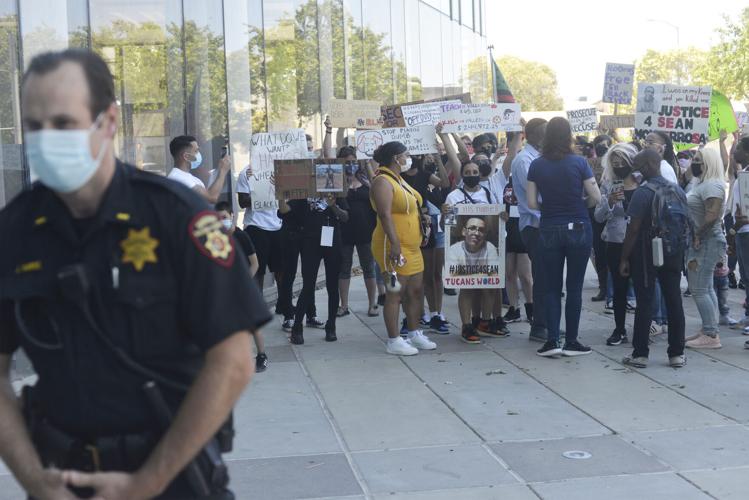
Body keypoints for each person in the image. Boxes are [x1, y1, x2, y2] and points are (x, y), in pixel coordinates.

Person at [0, 49, 269, 499]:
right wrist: (34, 480)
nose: (46, 139)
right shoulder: (15, 230)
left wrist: (145, 483)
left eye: (64, 124)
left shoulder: (177, 217)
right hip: (62, 481)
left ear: (106, 122)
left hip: (172, 479)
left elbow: (234, 363)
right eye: (34, 126)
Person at [526, 117, 601, 358]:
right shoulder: (580, 163)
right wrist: (581, 202)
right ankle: (572, 341)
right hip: (578, 225)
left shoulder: (536, 165)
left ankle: (552, 340)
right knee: (575, 287)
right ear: (568, 135)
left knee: (551, 287)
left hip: (549, 227)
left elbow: (530, 202)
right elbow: (596, 197)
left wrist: (550, 205)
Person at [619, 149, 687, 368]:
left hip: (647, 253)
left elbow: (633, 229)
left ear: (649, 165)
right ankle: (676, 354)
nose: (636, 170)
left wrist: (624, 258)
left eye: (638, 165)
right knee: (674, 299)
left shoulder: (643, 192)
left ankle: (640, 354)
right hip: (674, 251)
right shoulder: (677, 190)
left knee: (645, 301)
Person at [370, 141, 437, 356]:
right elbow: (384, 214)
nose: (409, 158)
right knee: (395, 293)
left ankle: (414, 333)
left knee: (415, 291)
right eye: (406, 154)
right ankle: (393, 339)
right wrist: (395, 242)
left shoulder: (399, 180)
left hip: (413, 246)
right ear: (396, 157)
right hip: (393, 245)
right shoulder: (382, 181)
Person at [443, 161, 508, 343]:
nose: (471, 174)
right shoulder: (453, 197)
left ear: (480, 174)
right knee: (467, 287)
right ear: (461, 174)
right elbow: (445, 226)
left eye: (475, 171)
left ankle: (484, 322)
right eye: (467, 171)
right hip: (463, 252)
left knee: (489, 286)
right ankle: (466, 325)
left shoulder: (488, 193)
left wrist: (503, 217)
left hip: (486, 249)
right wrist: (444, 215)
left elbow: (498, 215)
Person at [279, 192, 349, 345]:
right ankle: (297, 328)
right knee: (308, 285)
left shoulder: (335, 189)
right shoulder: (305, 192)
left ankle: (331, 327)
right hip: (310, 240)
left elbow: (345, 216)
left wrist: (333, 206)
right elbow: (285, 211)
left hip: (332, 238)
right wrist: (279, 196)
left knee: (332, 285)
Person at [403, 148, 451, 334]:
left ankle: (435, 314)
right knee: (413, 277)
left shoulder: (425, 174)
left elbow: (445, 183)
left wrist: (438, 158)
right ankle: (414, 315)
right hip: (408, 228)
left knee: (432, 274)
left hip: (426, 227)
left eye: (415, 154)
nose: (412, 158)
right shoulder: (397, 176)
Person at [595, 143, 639, 345]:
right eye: (615, 163)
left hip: (639, 241)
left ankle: (644, 327)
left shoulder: (642, 182)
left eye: (623, 162)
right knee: (619, 288)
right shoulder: (608, 184)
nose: (619, 166)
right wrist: (610, 202)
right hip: (615, 240)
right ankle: (619, 329)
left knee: (642, 287)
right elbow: (598, 216)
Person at [216, 201, 268, 372]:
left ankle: (261, 355)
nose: (221, 221)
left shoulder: (242, 236)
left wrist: (243, 282)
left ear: (232, 216)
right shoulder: (216, 238)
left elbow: (255, 264)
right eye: (218, 218)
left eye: (224, 217)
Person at [684, 149, 727, 349]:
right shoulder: (703, 184)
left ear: (708, 163)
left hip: (706, 241)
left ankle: (711, 334)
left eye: (698, 160)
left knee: (699, 288)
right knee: (705, 287)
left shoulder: (712, 185)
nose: (694, 162)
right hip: (704, 240)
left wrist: (697, 236)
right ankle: (709, 329)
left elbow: (711, 216)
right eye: (694, 159)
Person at [511, 118, 548, 342]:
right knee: (542, 277)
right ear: (532, 135)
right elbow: (538, 194)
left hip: (545, 224)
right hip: (534, 225)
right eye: (544, 133)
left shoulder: (540, 158)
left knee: (548, 277)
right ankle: (539, 326)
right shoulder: (525, 160)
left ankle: (546, 322)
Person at [236, 163, 287, 311]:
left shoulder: (280, 170)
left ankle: (283, 304)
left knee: (281, 268)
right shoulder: (246, 172)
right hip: (256, 226)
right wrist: (262, 188)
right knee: (258, 270)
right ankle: (257, 307)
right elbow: (243, 201)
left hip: (278, 225)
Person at [338, 148, 379, 317]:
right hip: (344, 232)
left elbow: (377, 189)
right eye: (347, 161)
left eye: (353, 161)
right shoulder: (336, 181)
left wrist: (367, 163)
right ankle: (344, 305)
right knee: (344, 269)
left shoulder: (366, 180)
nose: (351, 165)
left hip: (366, 232)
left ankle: (372, 304)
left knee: (368, 268)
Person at [502, 174, 533, 323]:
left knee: (525, 275)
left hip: (524, 230)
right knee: (509, 274)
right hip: (508, 231)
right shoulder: (504, 183)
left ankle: (531, 306)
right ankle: (514, 308)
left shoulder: (528, 181)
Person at [167, 135, 231, 204]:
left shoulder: (187, 177)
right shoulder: (178, 178)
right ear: (186, 156)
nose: (199, 154)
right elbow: (212, 197)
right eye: (196, 151)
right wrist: (223, 171)